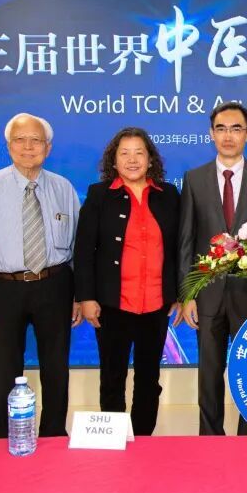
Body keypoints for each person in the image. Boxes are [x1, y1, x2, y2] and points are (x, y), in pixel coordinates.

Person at [0, 113, 81, 438]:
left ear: (48, 148)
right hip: (2, 289)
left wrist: (79, 295)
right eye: (20, 140)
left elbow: (78, 246)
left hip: (54, 285)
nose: (28, 147)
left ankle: (53, 434)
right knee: (3, 371)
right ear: (9, 146)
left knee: (56, 368)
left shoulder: (63, 188)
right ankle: (10, 437)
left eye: (36, 140)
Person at [177, 102, 247, 435]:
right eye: (221, 129)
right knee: (209, 373)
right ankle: (210, 438)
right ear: (211, 134)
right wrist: (187, 294)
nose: (228, 136)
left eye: (236, 129)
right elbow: (186, 241)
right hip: (207, 293)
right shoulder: (194, 179)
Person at [75, 127, 179, 437]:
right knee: (112, 377)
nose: (132, 160)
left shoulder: (168, 195)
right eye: (125, 153)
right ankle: (114, 440)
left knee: (149, 378)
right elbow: (84, 250)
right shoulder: (99, 195)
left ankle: (143, 439)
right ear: (114, 160)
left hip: (156, 304)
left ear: (150, 160)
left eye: (139, 153)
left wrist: (179, 293)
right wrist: (86, 297)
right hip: (112, 304)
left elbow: (178, 248)